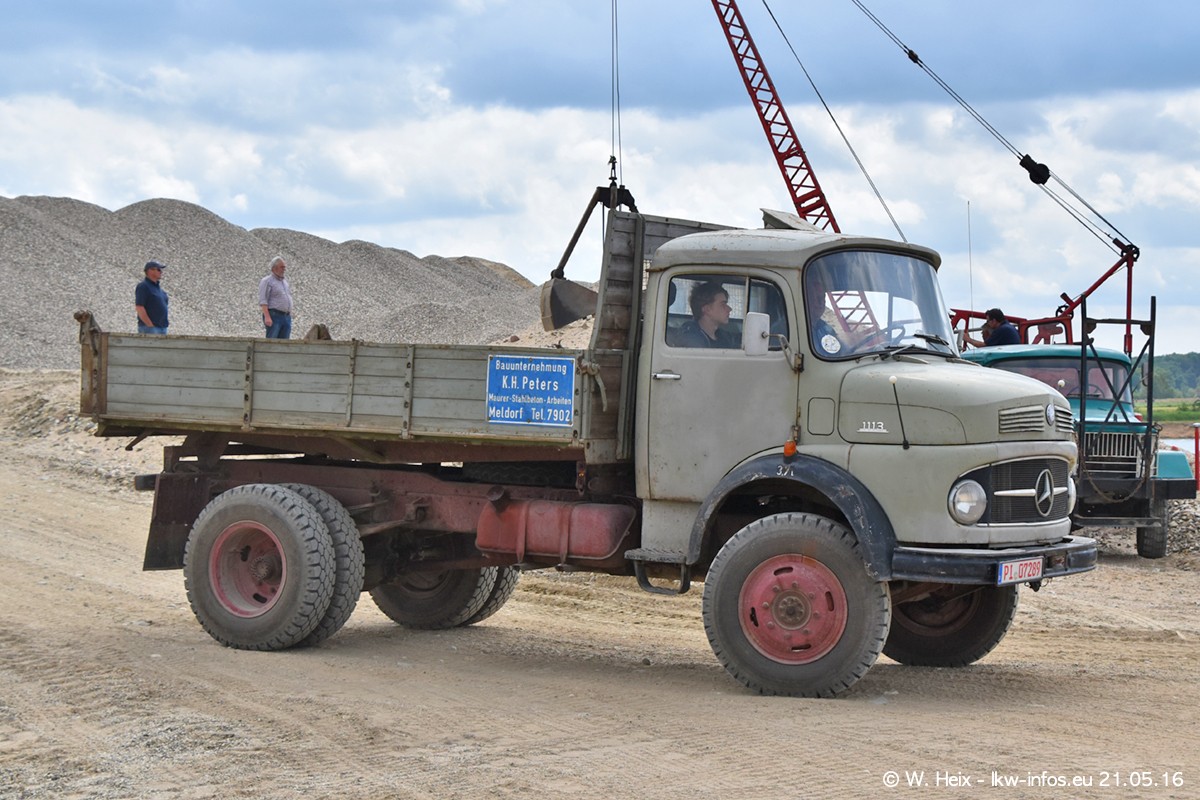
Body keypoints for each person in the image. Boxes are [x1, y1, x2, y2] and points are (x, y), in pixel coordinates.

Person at [673, 281, 738, 348]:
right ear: (707, 309)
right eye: (722, 305)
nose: (729, 309)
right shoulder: (690, 338)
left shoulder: (724, 337)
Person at [258, 256, 293, 339]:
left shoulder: (284, 282)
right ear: (274, 268)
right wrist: (267, 317)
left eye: (284, 267)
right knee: (272, 340)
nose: (284, 269)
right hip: (274, 315)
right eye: (282, 267)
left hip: (286, 316)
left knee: (284, 343)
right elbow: (263, 300)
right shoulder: (267, 281)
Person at [135, 260, 169, 334]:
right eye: (158, 269)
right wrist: (150, 325)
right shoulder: (143, 286)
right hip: (150, 328)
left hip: (162, 328)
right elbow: (139, 307)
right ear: (150, 270)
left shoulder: (160, 291)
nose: (161, 272)